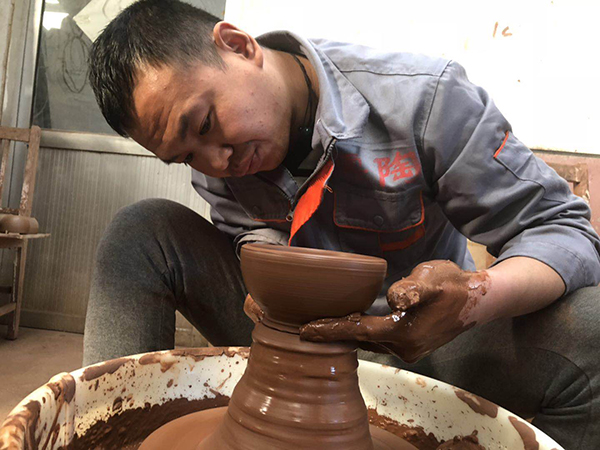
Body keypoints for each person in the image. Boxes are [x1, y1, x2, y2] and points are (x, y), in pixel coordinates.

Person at [84, 0, 600, 447]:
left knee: (593, 325)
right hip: (289, 335)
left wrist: (473, 299)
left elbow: (565, 230)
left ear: (238, 46)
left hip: (419, 346)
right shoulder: (219, 158)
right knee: (141, 231)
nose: (216, 162)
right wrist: (262, 263)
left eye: (203, 124)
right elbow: (246, 232)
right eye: (185, 157)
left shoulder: (424, 100)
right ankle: (112, 431)